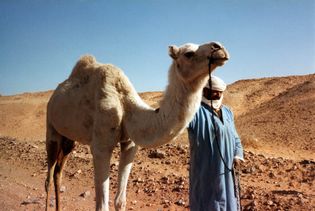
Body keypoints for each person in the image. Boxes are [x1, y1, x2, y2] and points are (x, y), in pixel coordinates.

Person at [187, 75, 244, 211]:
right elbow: (178, 122)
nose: (217, 94)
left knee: (229, 200)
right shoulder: (194, 112)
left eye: (220, 92)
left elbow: (235, 137)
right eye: (213, 91)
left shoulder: (227, 112)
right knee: (207, 201)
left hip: (227, 169)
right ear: (204, 91)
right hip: (206, 169)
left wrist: (237, 155)